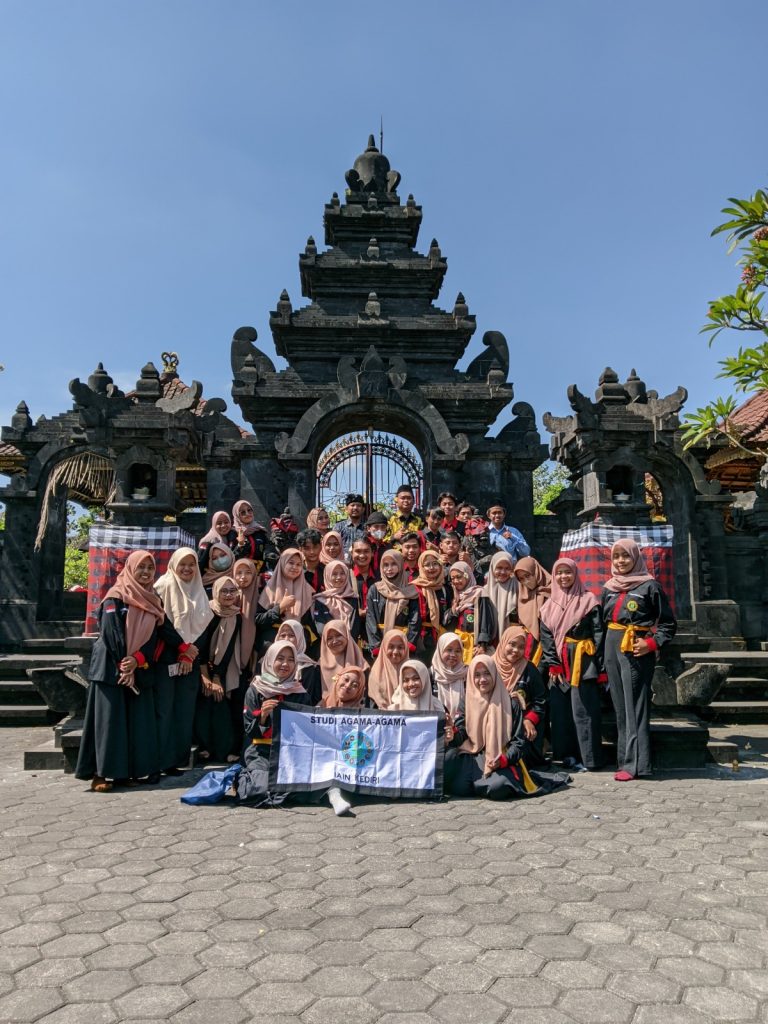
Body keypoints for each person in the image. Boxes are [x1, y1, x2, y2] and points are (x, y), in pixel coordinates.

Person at [76, 551, 192, 791]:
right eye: (141, 568)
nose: (146, 573)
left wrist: (139, 659)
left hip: (137, 667)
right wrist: (125, 662)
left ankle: (123, 774)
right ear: (130, 568)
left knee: (132, 723)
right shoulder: (115, 598)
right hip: (110, 668)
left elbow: (157, 634)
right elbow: (111, 633)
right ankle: (99, 773)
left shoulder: (153, 600)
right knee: (109, 722)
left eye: (150, 568)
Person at [601, 540, 676, 781]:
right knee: (620, 707)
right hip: (612, 647)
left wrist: (651, 644)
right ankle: (624, 761)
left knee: (636, 707)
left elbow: (668, 623)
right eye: (616, 557)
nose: (621, 561)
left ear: (635, 558)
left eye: (626, 556)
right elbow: (602, 624)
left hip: (636, 647)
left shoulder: (649, 586)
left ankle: (638, 765)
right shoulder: (609, 588)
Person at [444, 655, 569, 800]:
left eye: (487, 673)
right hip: (473, 754)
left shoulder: (510, 704)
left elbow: (519, 743)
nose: (482, 679)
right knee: (449, 767)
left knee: (498, 787)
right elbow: (462, 736)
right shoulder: (466, 701)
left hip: (500, 756)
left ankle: (484, 782)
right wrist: (453, 733)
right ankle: (477, 782)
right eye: (477, 675)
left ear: (494, 674)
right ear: (471, 677)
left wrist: (504, 760)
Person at [539, 558, 604, 769]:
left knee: (584, 710)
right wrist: (553, 663)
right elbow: (546, 638)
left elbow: (598, 634)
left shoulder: (588, 600)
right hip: (559, 666)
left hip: (583, 663)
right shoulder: (548, 607)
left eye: (568, 572)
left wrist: (600, 666)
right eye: (559, 573)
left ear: (575, 575)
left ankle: (590, 758)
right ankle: (565, 756)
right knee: (560, 711)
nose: (563, 577)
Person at [153, 548, 213, 776]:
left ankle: (175, 760)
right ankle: (158, 760)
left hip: (190, 661)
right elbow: (163, 624)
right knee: (164, 711)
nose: (187, 569)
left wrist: (189, 654)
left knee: (184, 711)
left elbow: (204, 625)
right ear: (174, 565)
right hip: (167, 658)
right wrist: (181, 648)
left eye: (192, 564)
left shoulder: (199, 591)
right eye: (183, 564)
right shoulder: (162, 587)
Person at [236, 641, 309, 807]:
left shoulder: (299, 691)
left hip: (291, 754)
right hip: (261, 752)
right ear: (269, 660)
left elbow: (306, 732)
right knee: (259, 790)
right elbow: (249, 730)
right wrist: (262, 717)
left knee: (302, 790)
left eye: (291, 659)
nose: (285, 664)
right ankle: (245, 776)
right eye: (280, 658)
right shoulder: (256, 690)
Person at [194, 576, 242, 764]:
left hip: (221, 670)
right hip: (201, 665)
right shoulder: (207, 612)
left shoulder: (236, 616)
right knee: (204, 703)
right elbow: (201, 645)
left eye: (232, 591)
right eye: (224, 591)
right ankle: (204, 748)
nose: (229, 595)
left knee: (220, 703)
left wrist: (217, 677)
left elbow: (228, 647)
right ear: (215, 592)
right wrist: (206, 675)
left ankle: (221, 751)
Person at [494, 625, 548, 763]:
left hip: (522, 721)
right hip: (494, 720)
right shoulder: (490, 666)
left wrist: (529, 720)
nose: (516, 650)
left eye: (521, 647)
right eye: (512, 644)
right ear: (503, 642)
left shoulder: (529, 669)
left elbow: (541, 699)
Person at [255, 548, 315, 655]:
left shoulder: (308, 590)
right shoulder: (269, 588)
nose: (294, 567)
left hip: (298, 648)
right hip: (271, 645)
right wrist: (280, 608)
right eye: (291, 563)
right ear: (282, 563)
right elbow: (259, 620)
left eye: (298, 564)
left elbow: (310, 624)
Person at [365, 550, 421, 656]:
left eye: (394, 564)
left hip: (403, 646)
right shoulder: (375, 589)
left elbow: (415, 620)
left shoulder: (410, 589)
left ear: (400, 565)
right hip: (381, 644)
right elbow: (370, 618)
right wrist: (376, 646)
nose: (389, 569)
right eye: (385, 565)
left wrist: (408, 644)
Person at [443, 561, 496, 662]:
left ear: (467, 576)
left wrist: (482, 644)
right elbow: (446, 621)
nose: (456, 581)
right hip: (457, 644)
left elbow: (485, 620)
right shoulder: (454, 595)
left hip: (474, 645)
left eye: (459, 577)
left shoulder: (479, 593)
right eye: (453, 578)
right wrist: (454, 608)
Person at [412, 550, 452, 658]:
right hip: (419, 639)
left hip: (440, 638)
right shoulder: (414, 588)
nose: (431, 568)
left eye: (435, 564)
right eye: (427, 565)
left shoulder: (445, 589)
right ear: (421, 567)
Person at [312, 560, 363, 643]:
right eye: (334, 574)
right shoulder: (320, 600)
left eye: (342, 573)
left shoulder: (353, 598)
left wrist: (346, 642)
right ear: (327, 576)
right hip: (329, 644)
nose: (339, 577)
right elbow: (321, 628)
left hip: (350, 645)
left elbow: (355, 627)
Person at [513, 556, 552, 665]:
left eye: (527, 576)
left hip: (549, 647)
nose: (525, 581)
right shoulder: (522, 594)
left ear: (536, 572)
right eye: (521, 578)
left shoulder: (553, 590)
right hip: (527, 646)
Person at [275, 619, 322, 704]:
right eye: (282, 635)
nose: (286, 639)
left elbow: (308, 699)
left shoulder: (308, 667)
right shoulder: (266, 662)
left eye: (291, 635)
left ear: (300, 638)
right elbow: (262, 683)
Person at [350, 538, 377, 659]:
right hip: (352, 632)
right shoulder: (345, 577)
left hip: (375, 632)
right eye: (358, 551)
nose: (362, 555)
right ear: (352, 554)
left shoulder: (380, 577)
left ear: (372, 553)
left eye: (366, 551)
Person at [368, 629, 409, 709]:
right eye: (391, 647)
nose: (395, 652)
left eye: (400, 647)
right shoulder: (376, 674)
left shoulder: (413, 671)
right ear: (384, 647)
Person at [430, 632, 467, 718]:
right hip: (436, 727)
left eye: (458, 651)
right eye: (449, 650)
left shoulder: (466, 674)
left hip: (460, 727)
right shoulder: (430, 674)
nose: (453, 655)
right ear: (440, 650)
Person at [483, 551, 519, 640]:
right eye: (499, 568)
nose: (503, 572)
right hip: (491, 640)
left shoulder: (517, 587)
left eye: (507, 568)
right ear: (492, 568)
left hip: (513, 639)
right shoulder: (485, 590)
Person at [231, 499, 272, 570]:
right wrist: (240, 545)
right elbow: (231, 559)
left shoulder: (259, 530)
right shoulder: (233, 533)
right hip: (239, 574)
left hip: (258, 573)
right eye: (243, 512)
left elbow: (268, 550)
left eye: (249, 510)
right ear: (237, 515)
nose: (247, 514)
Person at [197, 511, 233, 575]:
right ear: (214, 525)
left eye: (226, 522)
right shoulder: (208, 541)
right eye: (219, 523)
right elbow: (200, 564)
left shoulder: (232, 537)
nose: (223, 525)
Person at [337, 493, 367, 558]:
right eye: (352, 505)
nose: (355, 508)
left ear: (363, 509)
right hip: (343, 564)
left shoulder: (368, 527)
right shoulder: (339, 527)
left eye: (358, 505)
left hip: (362, 563)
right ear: (346, 508)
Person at [296, 528, 324, 593]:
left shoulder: (327, 570)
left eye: (315, 547)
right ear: (300, 549)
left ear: (321, 547)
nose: (312, 552)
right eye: (307, 548)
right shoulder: (296, 571)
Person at [364, 511, 391, 575]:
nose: (380, 530)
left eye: (383, 527)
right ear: (368, 528)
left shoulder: (388, 547)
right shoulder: (362, 545)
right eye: (376, 526)